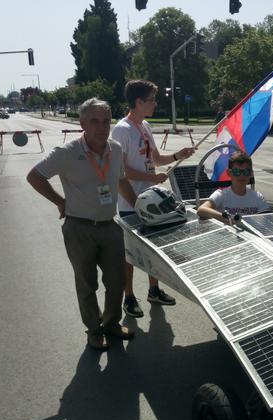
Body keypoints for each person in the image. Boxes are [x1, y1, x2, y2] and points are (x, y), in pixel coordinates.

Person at [26, 97, 137, 351]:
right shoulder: (67, 153)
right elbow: (34, 176)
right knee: (86, 283)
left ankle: (110, 323)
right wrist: (59, 201)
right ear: (82, 123)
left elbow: (121, 181)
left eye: (106, 121)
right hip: (79, 228)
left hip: (110, 226)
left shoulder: (116, 149)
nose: (101, 127)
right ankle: (94, 330)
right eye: (94, 121)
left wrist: (139, 207)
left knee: (117, 280)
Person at [111, 79, 195, 319]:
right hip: (130, 202)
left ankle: (153, 290)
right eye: (151, 100)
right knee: (130, 254)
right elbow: (121, 170)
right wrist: (150, 176)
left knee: (152, 250)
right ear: (138, 102)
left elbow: (156, 158)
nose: (155, 104)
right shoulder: (122, 129)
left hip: (152, 203)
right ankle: (128, 297)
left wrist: (179, 154)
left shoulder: (145, 126)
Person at [197, 151, 269, 223]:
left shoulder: (257, 197)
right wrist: (224, 218)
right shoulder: (221, 195)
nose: (241, 176)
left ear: (251, 174)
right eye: (236, 172)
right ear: (229, 173)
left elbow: (268, 219)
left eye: (246, 172)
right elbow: (201, 209)